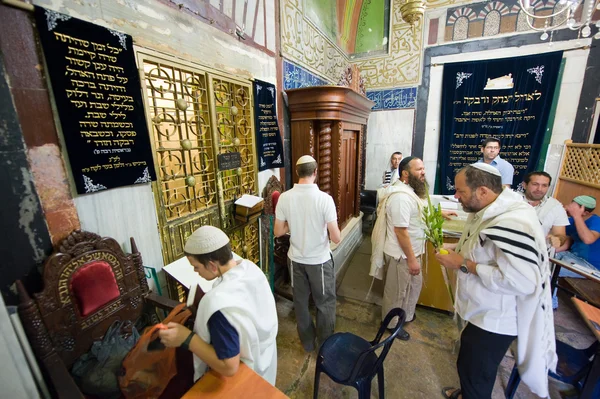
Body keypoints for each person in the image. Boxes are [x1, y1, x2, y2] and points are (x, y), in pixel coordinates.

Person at [436, 163, 556, 399]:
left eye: (461, 191)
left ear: (482, 191)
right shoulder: (491, 208)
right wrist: (456, 248)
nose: (456, 196)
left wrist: (463, 264)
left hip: (496, 319)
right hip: (484, 312)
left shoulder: (511, 221)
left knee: (475, 371)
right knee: (473, 366)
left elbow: (522, 282)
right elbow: (485, 248)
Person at [158, 225, 278, 385]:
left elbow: (229, 367)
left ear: (212, 265)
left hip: (246, 375)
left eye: (196, 267)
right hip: (267, 358)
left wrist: (185, 338)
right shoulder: (250, 267)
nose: (195, 271)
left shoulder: (217, 303)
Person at [370, 156, 455, 341]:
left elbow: (419, 209)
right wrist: (412, 259)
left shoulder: (412, 191)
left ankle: (405, 316)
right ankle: (391, 325)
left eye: (423, 168)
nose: (423, 172)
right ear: (405, 173)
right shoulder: (400, 197)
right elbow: (401, 232)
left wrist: (439, 212)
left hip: (412, 252)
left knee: (412, 287)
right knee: (396, 292)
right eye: (419, 169)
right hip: (402, 255)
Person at [274, 155, 341, 352]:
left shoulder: (285, 197)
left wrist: (294, 223)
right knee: (325, 303)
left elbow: (278, 232)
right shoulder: (325, 199)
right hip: (319, 261)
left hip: (295, 260)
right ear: (315, 172)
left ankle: (308, 343)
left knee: (300, 303)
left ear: (297, 173)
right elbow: (336, 237)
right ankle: (326, 345)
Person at [521, 171, 569, 248]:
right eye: (535, 184)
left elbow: (561, 235)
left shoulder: (555, 206)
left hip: (538, 254)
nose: (539, 189)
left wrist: (558, 239)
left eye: (544, 185)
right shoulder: (512, 200)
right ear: (524, 185)